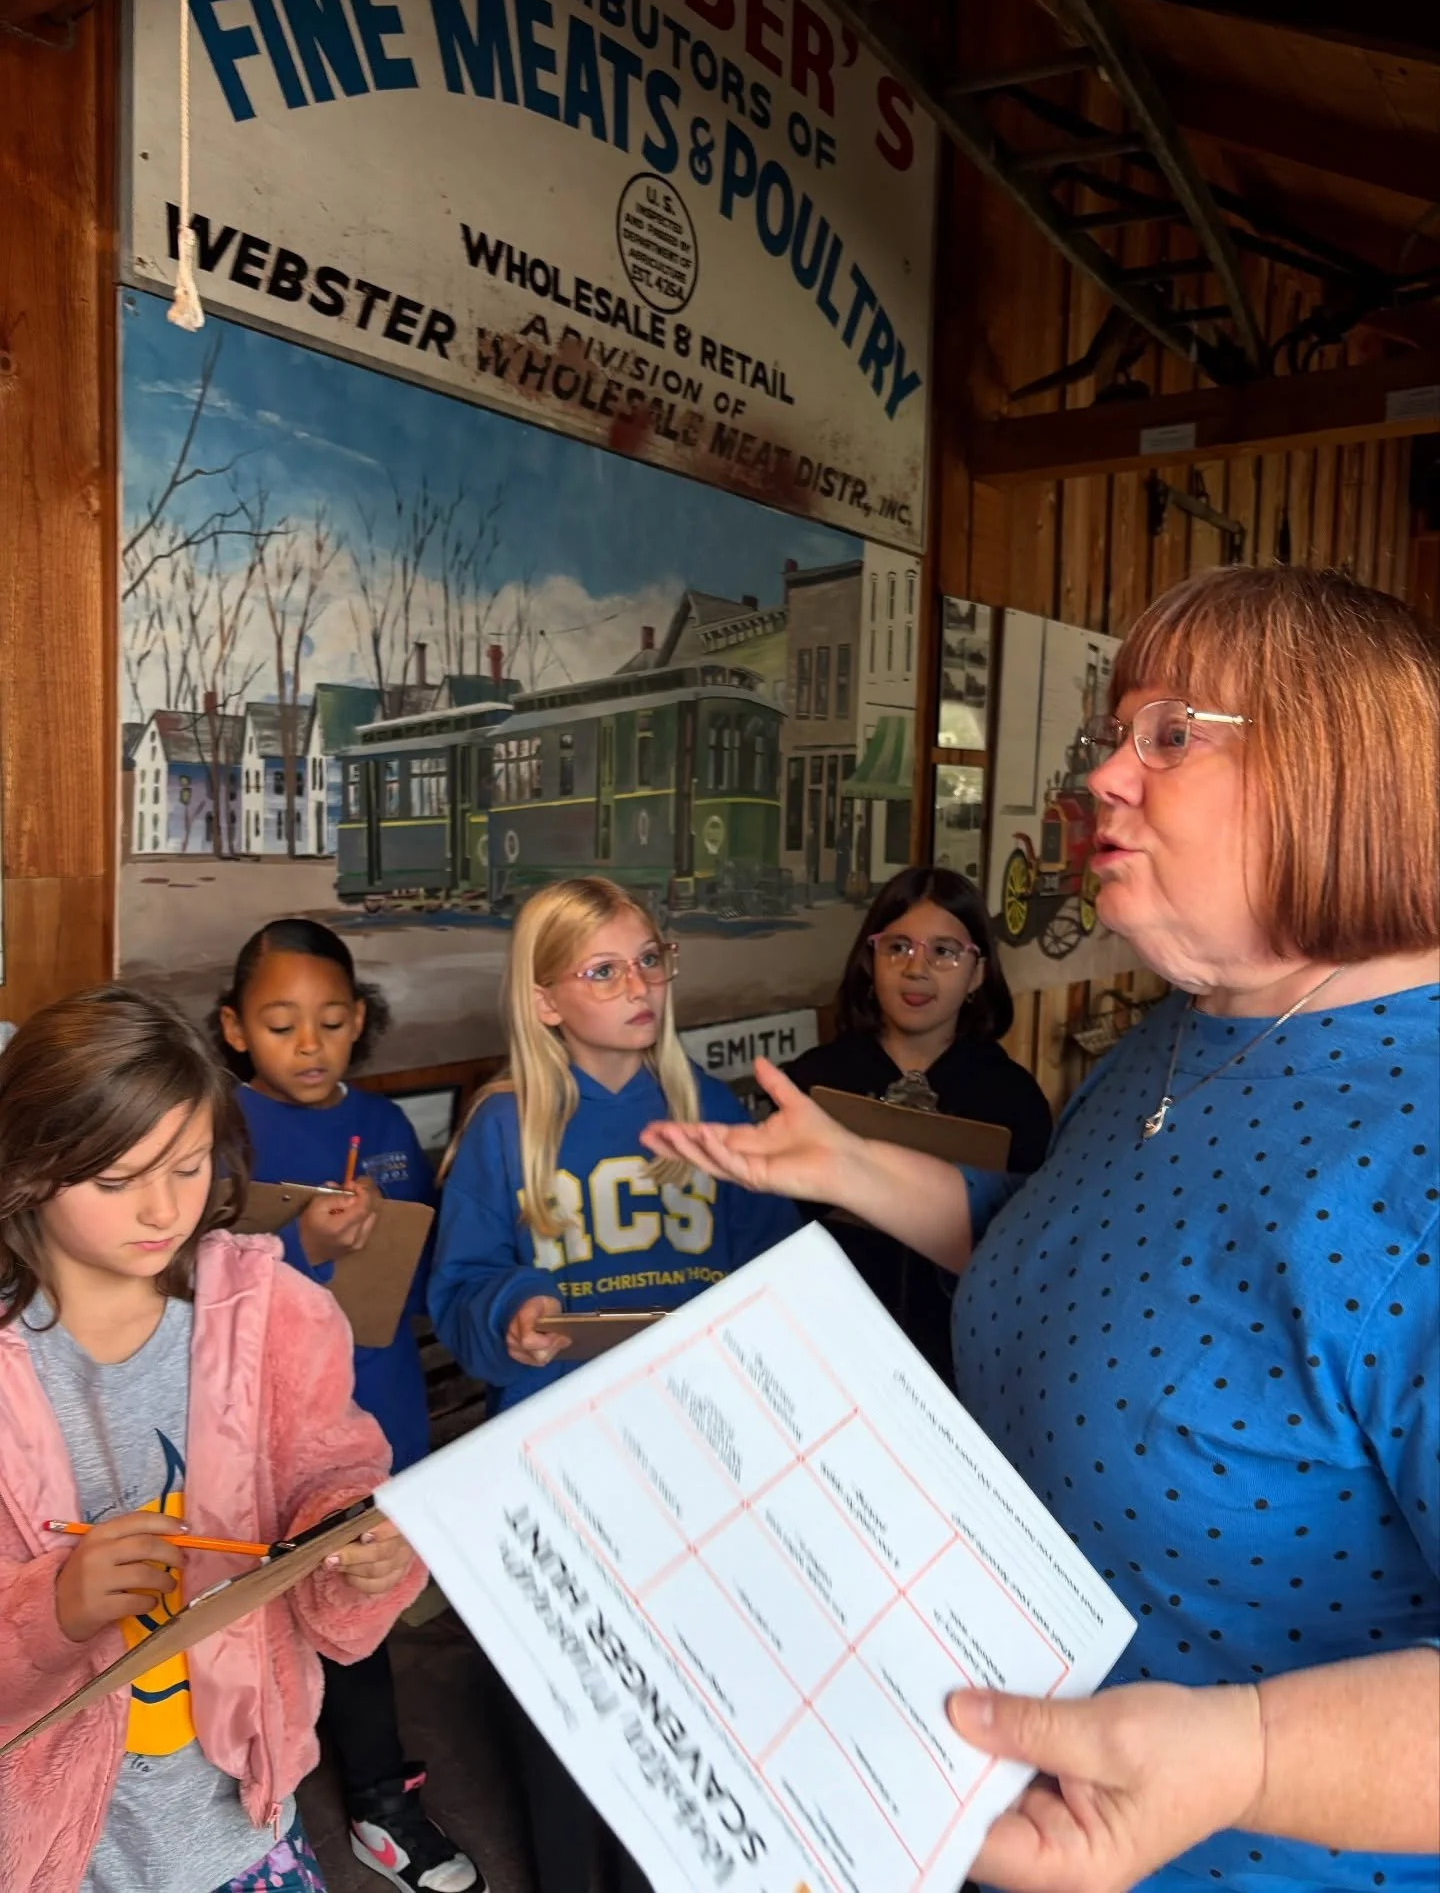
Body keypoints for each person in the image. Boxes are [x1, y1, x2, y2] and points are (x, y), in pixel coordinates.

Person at [642, 566, 1440, 1893]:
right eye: (1113, 735)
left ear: (1337, 771)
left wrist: (1240, 1754)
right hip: (994, 1814)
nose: (1105, 779)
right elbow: (1099, 1267)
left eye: (1170, 735)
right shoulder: (1173, 1042)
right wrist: (854, 1163)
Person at [0, 984, 426, 1893]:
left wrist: (359, 1546)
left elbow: (333, 1482)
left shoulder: (275, 1318)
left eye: (189, 1167)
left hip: (241, 1826)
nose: (162, 1210)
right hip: (51, 1851)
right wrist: (56, 1612)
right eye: (116, 1181)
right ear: (26, 1167)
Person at [429, 875, 798, 1892]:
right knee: (566, 1716)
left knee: (689, 1719)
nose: (638, 983)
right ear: (545, 997)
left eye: (650, 957)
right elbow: (456, 1289)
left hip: (695, 1460)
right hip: (557, 1464)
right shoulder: (505, 1127)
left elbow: (781, 1270)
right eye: (603, 968)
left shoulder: (709, 1111)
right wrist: (513, 1311)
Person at [214, 920, 478, 1893]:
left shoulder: (392, 1130)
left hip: (375, 1412)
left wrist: (374, 1245)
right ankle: (253, 1813)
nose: (310, 1042)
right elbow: (194, 1292)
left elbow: (408, 1290)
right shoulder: (216, 1131)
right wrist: (308, 1249)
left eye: (330, 1020)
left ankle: (376, 1802)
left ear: (359, 1021)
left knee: (357, 1612)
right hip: (255, 1430)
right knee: (256, 1626)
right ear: (236, 1028)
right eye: (282, 1023)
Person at [785, 865, 1051, 1380]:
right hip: (825, 1352)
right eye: (897, 947)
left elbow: (1030, 1250)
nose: (916, 969)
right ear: (870, 960)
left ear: (978, 973)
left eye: (944, 952)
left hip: (960, 1361)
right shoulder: (815, 1081)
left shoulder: (1011, 1097)